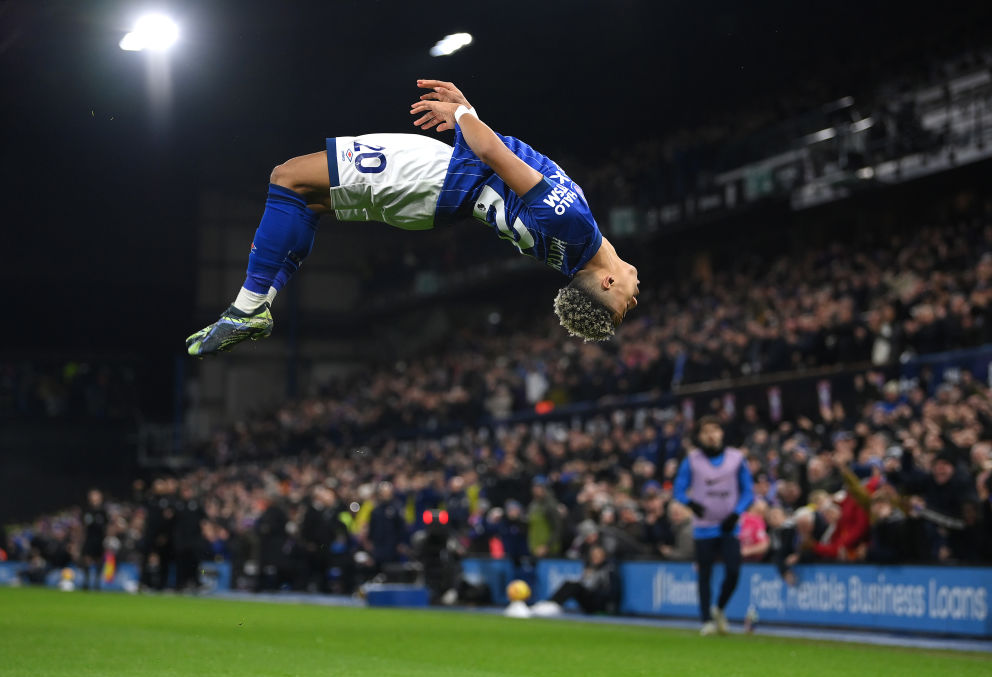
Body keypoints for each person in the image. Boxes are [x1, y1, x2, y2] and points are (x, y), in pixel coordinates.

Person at [186, 80, 640, 356]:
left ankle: (249, 308)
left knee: (287, 178)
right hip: (436, 202)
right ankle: (255, 305)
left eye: (625, 304)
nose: (634, 297)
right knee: (306, 201)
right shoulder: (569, 257)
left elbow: (493, 155)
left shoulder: (575, 226)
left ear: (604, 283)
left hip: (433, 177)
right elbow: (500, 175)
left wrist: (462, 112)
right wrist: (471, 116)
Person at [672, 415, 754, 636]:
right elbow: (678, 490)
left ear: (722, 433)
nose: (711, 434)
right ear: (699, 436)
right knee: (704, 574)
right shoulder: (692, 460)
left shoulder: (736, 459)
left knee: (733, 570)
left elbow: (748, 491)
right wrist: (691, 504)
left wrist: (736, 514)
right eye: (706, 431)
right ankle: (706, 620)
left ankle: (719, 607)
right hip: (704, 527)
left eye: (715, 429)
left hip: (729, 526)